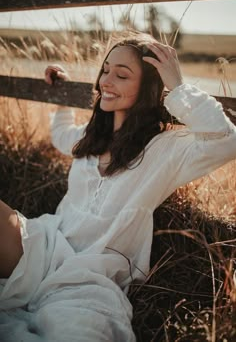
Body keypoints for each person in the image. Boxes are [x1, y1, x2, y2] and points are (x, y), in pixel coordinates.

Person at [0, 32, 236, 342]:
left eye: (121, 75)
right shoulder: (92, 135)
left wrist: (178, 87)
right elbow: (61, 136)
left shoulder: (165, 150)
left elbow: (226, 141)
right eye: (106, 69)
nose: (106, 81)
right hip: (45, 245)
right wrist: (62, 90)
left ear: (148, 88)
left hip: (92, 276)